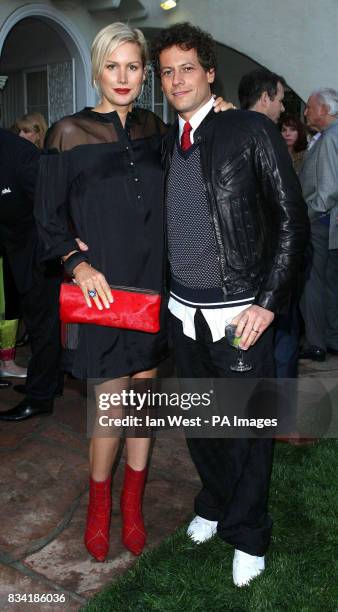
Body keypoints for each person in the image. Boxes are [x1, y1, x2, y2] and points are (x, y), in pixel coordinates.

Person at [34, 22, 230, 562]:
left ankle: (134, 504)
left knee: (141, 404)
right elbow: (46, 219)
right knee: (109, 406)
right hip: (101, 295)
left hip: (153, 288)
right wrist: (77, 264)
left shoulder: (155, 130)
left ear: (145, 74)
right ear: (96, 69)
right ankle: (100, 509)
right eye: (112, 65)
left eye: (134, 66)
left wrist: (226, 112)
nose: (123, 76)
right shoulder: (66, 133)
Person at [151, 22, 308, 587]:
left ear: (210, 72)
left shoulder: (249, 130)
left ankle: (249, 530)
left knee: (246, 428)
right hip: (183, 315)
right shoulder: (171, 142)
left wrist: (267, 303)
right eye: (167, 71)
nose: (176, 80)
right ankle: (215, 503)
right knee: (202, 423)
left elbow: (293, 224)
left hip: (240, 312)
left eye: (187, 68)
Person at [239, 69, 302, 379]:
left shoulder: (227, 131)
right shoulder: (265, 135)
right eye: (279, 100)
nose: (281, 108)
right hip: (270, 266)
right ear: (264, 98)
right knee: (280, 342)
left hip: (250, 271)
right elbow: (289, 215)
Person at [0, 129, 63, 419]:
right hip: (19, 248)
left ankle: (40, 398)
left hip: (40, 251)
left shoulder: (18, 152)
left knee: (43, 324)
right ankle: (49, 383)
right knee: (40, 323)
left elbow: (50, 205)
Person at [299, 88, 338, 361]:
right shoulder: (327, 137)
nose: (306, 113)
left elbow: (326, 192)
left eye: (310, 108)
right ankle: (330, 338)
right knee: (328, 285)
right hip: (327, 224)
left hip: (321, 223)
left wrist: (305, 219)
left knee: (312, 282)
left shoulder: (330, 139)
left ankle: (317, 342)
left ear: (325, 110)